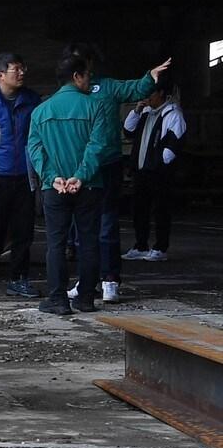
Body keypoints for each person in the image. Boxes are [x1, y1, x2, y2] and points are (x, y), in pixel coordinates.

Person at [62, 42, 170, 302]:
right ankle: (86, 279)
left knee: (106, 224)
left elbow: (134, 88)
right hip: (80, 166)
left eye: (83, 61)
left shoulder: (106, 87)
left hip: (107, 164)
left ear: (90, 63)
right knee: (82, 226)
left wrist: (149, 77)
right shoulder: (67, 93)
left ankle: (110, 279)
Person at [27, 52, 113, 317]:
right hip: (88, 186)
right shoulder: (95, 107)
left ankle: (58, 300)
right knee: (88, 241)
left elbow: (35, 149)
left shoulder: (41, 111)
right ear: (76, 77)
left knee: (55, 243)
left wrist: (52, 177)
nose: (90, 80)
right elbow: (97, 146)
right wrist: (81, 176)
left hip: (54, 189)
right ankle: (85, 298)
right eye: (87, 75)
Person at [0, 53, 42, 299]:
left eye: (23, 68)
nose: (21, 73)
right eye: (16, 69)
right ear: (0, 75)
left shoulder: (32, 100)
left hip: (24, 174)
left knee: (23, 230)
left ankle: (18, 279)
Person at [123, 80, 184, 262]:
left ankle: (160, 247)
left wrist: (160, 163)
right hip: (142, 169)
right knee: (139, 209)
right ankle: (141, 245)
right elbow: (128, 131)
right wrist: (136, 111)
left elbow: (174, 143)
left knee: (161, 210)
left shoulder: (172, 114)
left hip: (159, 172)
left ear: (161, 93)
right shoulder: (146, 112)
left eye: (151, 93)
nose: (147, 97)